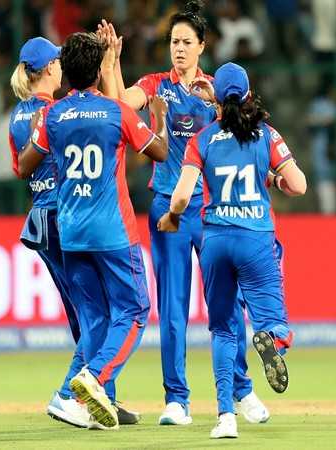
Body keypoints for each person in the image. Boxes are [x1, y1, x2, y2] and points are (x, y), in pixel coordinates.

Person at [100, 0, 267, 426]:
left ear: (202, 47)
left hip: (213, 210)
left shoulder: (216, 89)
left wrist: (216, 107)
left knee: (225, 305)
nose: (178, 48)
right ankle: (178, 400)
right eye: (174, 41)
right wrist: (112, 63)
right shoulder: (156, 84)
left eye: (186, 42)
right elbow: (120, 103)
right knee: (172, 308)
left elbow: (248, 131)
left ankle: (242, 391)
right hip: (167, 209)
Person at [158, 63, 307, 438]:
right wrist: (272, 179)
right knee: (274, 322)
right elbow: (299, 185)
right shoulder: (265, 135)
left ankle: (225, 417)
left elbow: (180, 196)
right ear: (249, 95)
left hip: (216, 241)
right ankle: (271, 340)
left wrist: (172, 218)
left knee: (223, 329)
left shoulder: (203, 139)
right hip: (256, 238)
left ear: (216, 100)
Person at [30, 31, 169, 430]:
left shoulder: (53, 114)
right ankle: (92, 380)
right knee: (136, 309)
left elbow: (28, 161)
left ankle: (78, 400)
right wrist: (156, 116)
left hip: (70, 230)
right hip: (112, 231)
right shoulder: (115, 112)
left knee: (94, 319)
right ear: (96, 71)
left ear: (66, 73)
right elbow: (158, 150)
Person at [9, 36, 138, 429]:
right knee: (100, 314)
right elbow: (114, 118)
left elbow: (20, 168)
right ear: (49, 69)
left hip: (40, 219)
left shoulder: (17, 115)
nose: (62, 68)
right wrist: (109, 68)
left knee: (86, 314)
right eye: (58, 62)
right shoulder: (57, 112)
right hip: (67, 217)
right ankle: (71, 394)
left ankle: (104, 399)